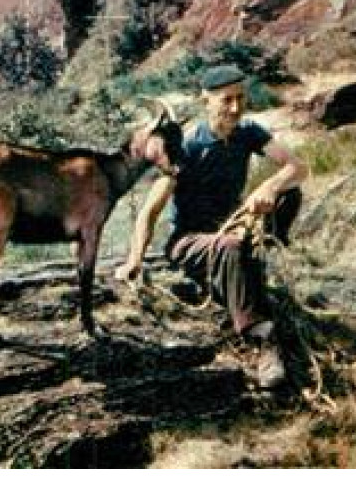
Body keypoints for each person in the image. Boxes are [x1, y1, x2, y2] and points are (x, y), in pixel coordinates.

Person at [117, 64, 308, 390]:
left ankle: (263, 250)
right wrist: (134, 260)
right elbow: (148, 212)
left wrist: (269, 187)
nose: (235, 108)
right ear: (206, 101)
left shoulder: (248, 133)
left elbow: (297, 167)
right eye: (226, 100)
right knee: (231, 247)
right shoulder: (187, 147)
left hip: (232, 225)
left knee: (288, 192)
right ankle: (261, 339)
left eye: (240, 99)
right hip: (190, 240)